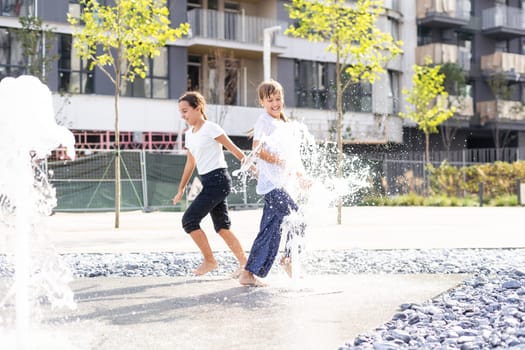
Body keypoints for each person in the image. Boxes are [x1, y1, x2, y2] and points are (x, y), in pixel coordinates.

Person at [239, 80, 310, 287]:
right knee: (298, 217)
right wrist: (281, 162)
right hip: (271, 185)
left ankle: (248, 274)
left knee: (270, 230)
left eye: (278, 99)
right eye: (270, 100)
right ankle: (288, 259)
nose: (275, 103)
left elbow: (291, 157)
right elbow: (258, 149)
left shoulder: (283, 124)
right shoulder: (264, 121)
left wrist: (300, 176)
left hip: (281, 184)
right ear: (262, 102)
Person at [173, 91, 247, 276]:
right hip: (209, 182)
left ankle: (210, 261)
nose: (183, 115)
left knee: (189, 220)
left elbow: (235, 150)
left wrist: (253, 168)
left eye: (186, 111)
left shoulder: (211, 128)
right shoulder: (189, 135)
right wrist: (181, 188)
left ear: (198, 108)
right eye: (181, 112)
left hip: (219, 180)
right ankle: (245, 264)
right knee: (222, 227)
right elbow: (191, 163)